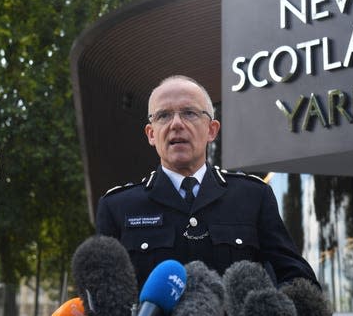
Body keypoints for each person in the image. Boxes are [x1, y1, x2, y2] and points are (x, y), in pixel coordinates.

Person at [95, 75, 319, 289]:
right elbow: (102, 294)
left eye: (189, 113)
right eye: (163, 115)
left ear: (212, 130)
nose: (176, 124)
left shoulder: (252, 197)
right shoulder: (118, 207)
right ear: (151, 134)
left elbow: (298, 280)